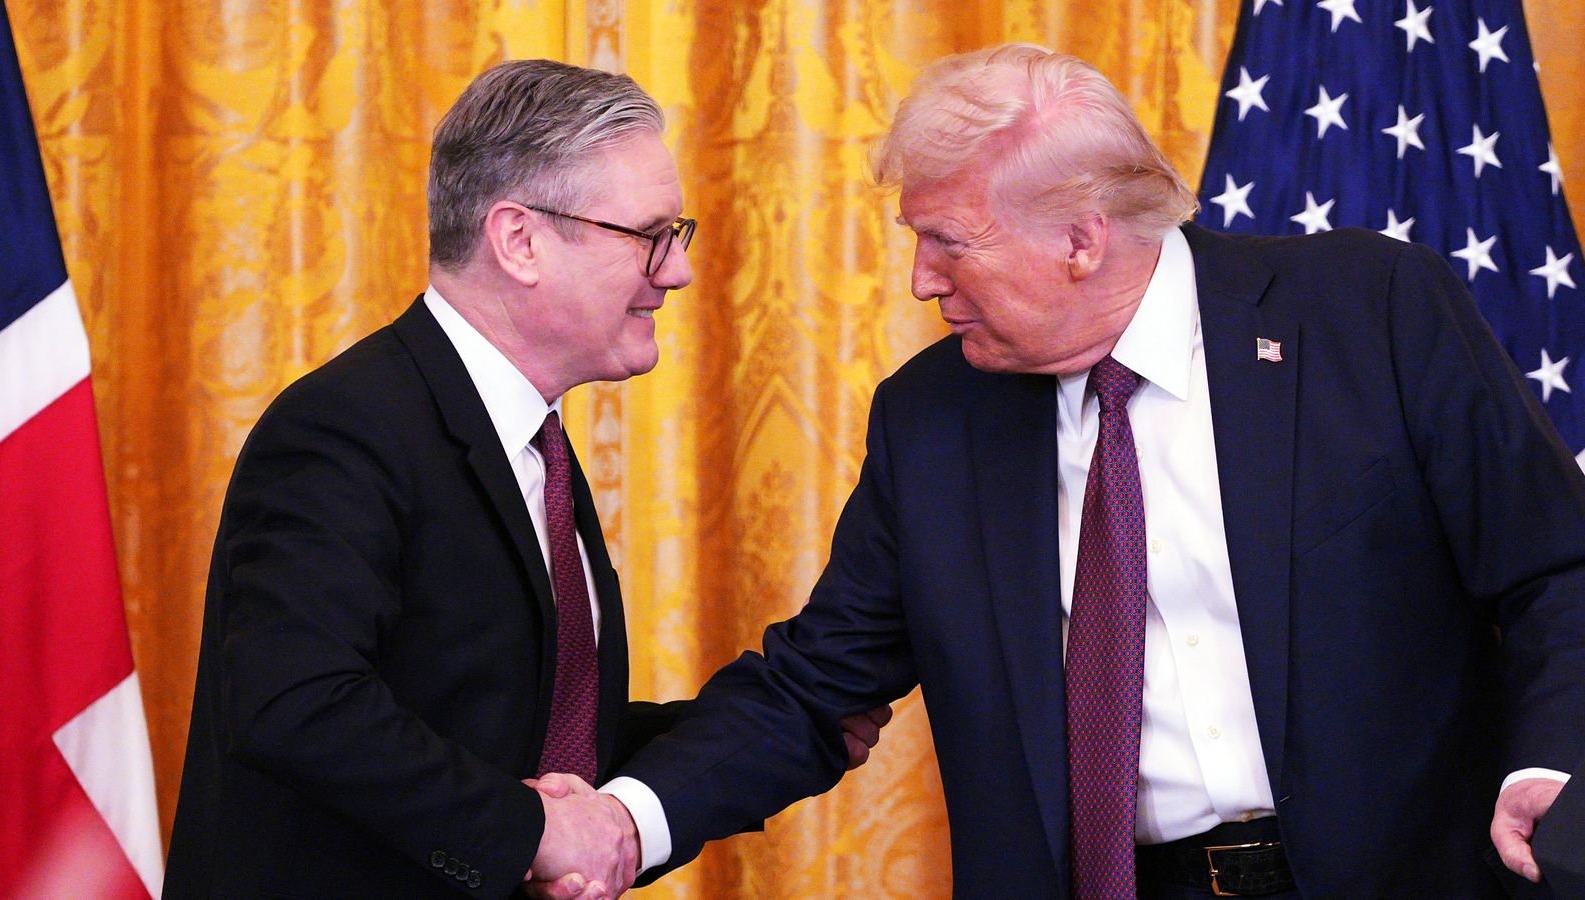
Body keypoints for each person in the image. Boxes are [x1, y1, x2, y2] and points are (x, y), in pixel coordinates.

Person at [551, 44, 1585, 898]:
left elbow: (1554, 569)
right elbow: (816, 686)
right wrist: (623, 821)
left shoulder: (1366, 313)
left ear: (1083, 239)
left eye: (947, 243)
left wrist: (1552, 765)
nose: (919, 281)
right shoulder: (932, 419)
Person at [162, 59, 885, 900]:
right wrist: (534, 832)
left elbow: (533, 739)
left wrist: (776, 729)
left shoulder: (529, 437)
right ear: (521, 241)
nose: (678, 271)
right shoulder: (346, 427)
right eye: (650, 235)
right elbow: (296, 705)